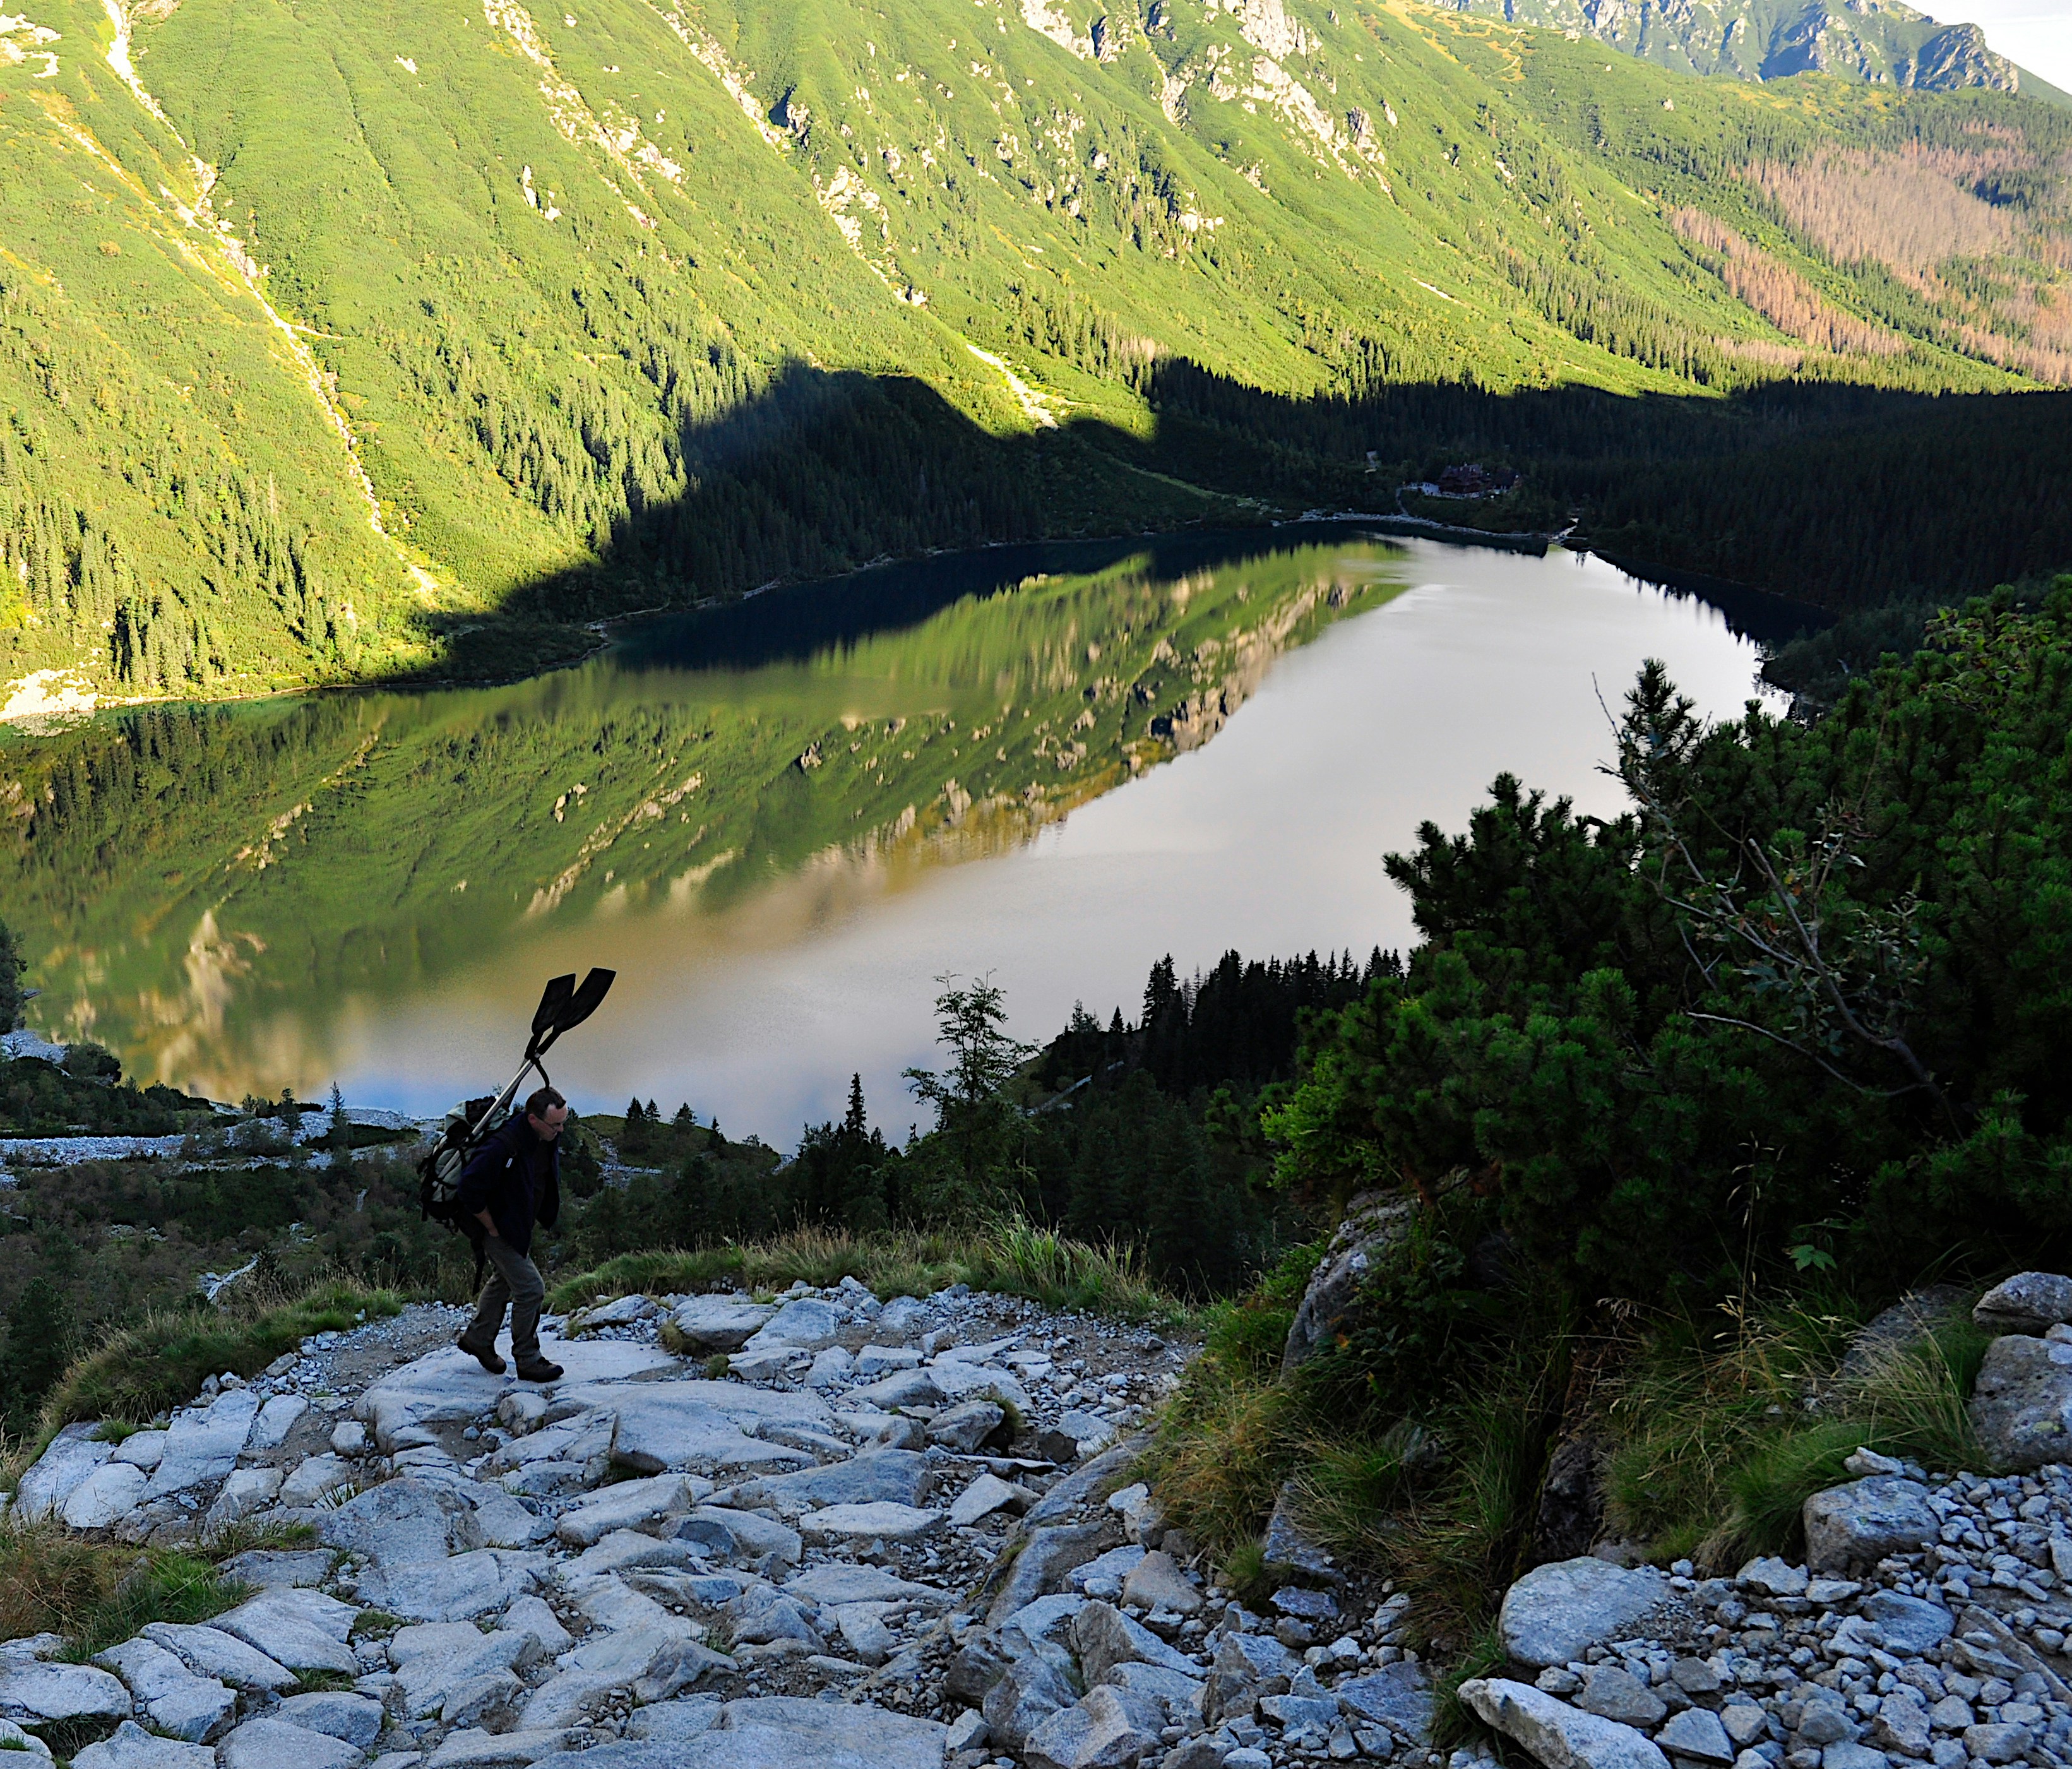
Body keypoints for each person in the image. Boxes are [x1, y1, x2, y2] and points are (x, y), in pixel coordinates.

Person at [454, 1083, 568, 1380]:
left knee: (504, 1280)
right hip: (496, 1228)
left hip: (515, 1225)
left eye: (563, 1122)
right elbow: (469, 1188)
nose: (561, 1130)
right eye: (556, 1124)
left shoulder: (539, 1135)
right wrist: (491, 1227)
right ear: (533, 1120)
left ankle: (478, 1339)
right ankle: (528, 1360)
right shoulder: (503, 1145)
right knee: (531, 1289)